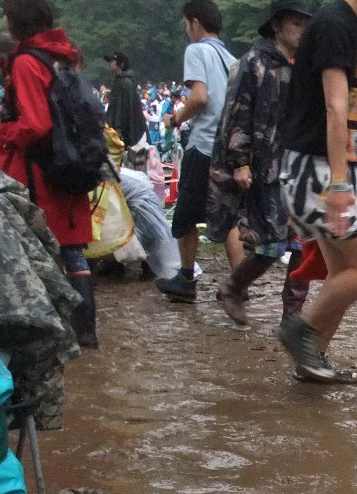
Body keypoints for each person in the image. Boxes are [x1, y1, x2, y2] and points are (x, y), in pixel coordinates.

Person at [276, 0, 357, 382]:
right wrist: (340, 184)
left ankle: (313, 360)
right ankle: (301, 329)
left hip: (328, 166)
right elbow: (335, 107)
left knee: (343, 270)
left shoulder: (350, 25)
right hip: (320, 170)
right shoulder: (334, 24)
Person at [0, 0, 97, 347]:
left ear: (17, 21)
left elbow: (36, 124)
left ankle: (50, 333)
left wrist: (0, 130)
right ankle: (85, 329)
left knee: (37, 249)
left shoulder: (25, 61)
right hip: (73, 165)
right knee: (72, 250)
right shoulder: (63, 55)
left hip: (39, 171)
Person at [206, 0, 311, 328]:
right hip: (262, 166)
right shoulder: (252, 63)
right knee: (270, 243)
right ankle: (234, 287)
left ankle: (291, 317)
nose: (302, 30)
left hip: (297, 166)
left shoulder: (302, 65)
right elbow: (236, 113)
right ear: (277, 25)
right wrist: (239, 162)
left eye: (305, 24)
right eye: (296, 23)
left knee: (302, 241)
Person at [154, 0, 236, 305]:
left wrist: (175, 118)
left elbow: (199, 97)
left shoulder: (197, 51)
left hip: (203, 144)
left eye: (186, 24)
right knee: (228, 217)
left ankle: (186, 279)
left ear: (195, 22)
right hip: (228, 147)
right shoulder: (231, 58)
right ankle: (238, 284)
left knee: (186, 215)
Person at [104, 52, 147, 149]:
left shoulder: (126, 82)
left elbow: (125, 109)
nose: (110, 63)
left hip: (126, 132)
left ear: (121, 64)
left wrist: (119, 128)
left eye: (112, 61)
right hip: (115, 130)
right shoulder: (117, 80)